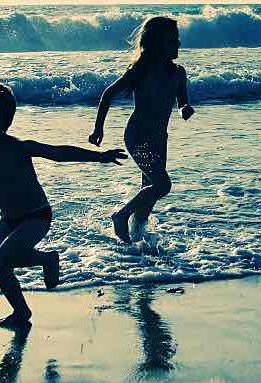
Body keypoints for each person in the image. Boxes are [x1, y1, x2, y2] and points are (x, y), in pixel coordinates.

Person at [0, 80, 126, 330]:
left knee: (6, 257)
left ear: (5, 123)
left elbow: (58, 153)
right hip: (9, 218)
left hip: (36, 216)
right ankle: (21, 311)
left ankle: (48, 260)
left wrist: (99, 156)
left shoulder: (19, 148)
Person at [89, 16, 194, 244]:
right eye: (172, 41)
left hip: (159, 138)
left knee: (149, 193)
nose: (178, 45)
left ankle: (137, 242)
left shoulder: (178, 73)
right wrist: (98, 129)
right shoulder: (141, 70)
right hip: (137, 136)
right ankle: (120, 216)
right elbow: (108, 94)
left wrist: (185, 108)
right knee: (162, 184)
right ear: (157, 43)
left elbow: (182, 101)